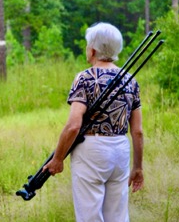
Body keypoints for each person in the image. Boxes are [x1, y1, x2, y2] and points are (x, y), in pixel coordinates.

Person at [42, 22, 144, 222]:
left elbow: (73, 125)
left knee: (89, 215)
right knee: (118, 216)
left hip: (91, 150)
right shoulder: (131, 80)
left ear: (94, 50)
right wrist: (138, 167)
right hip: (120, 149)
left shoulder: (85, 78)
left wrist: (58, 158)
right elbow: (138, 131)